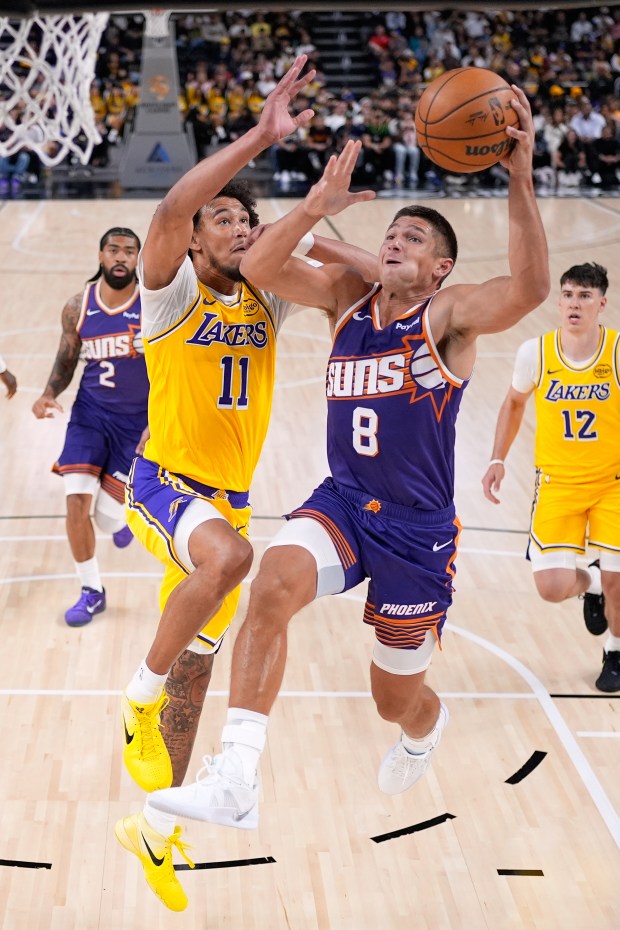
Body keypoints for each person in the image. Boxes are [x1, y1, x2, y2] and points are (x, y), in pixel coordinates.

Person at [146, 88, 548, 848]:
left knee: (393, 700)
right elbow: (264, 262)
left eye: (413, 238)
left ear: (441, 266)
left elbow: (527, 292)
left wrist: (520, 179)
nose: (395, 241)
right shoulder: (344, 301)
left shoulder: (449, 318)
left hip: (417, 535)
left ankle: (425, 729)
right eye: (389, 233)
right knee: (267, 583)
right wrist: (317, 212)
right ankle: (236, 779)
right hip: (342, 501)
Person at [113, 56, 380, 913]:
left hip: (218, 504)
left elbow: (359, 287)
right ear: (195, 238)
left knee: (202, 666)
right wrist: (262, 136)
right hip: (161, 484)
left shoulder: (268, 300)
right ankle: (133, 699)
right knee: (234, 561)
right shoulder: (170, 293)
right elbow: (168, 208)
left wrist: (331, 228)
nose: (232, 227)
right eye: (219, 219)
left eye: (242, 220)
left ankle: (158, 826)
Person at [481, 262, 620, 693]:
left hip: (613, 482)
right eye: (567, 295)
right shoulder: (535, 352)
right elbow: (514, 402)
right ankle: (592, 584)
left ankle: (614, 652)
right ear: (559, 302)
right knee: (552, 587)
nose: (574, 303)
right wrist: (496, 459)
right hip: (557, 482)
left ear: (602, 303)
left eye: (583, 296)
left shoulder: (615, 351)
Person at [32, 227, 148, 626]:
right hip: (90, 415)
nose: (121, 257)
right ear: (100, 256)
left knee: (107, 518)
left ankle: (122, 519)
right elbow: (66, 359)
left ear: (138, 259)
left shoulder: (152, 305)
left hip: (138, 426)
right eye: (113, 250)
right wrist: (49, 392)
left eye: (129, 251)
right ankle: (92, 590)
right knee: (75, 501)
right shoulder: (78, 305)